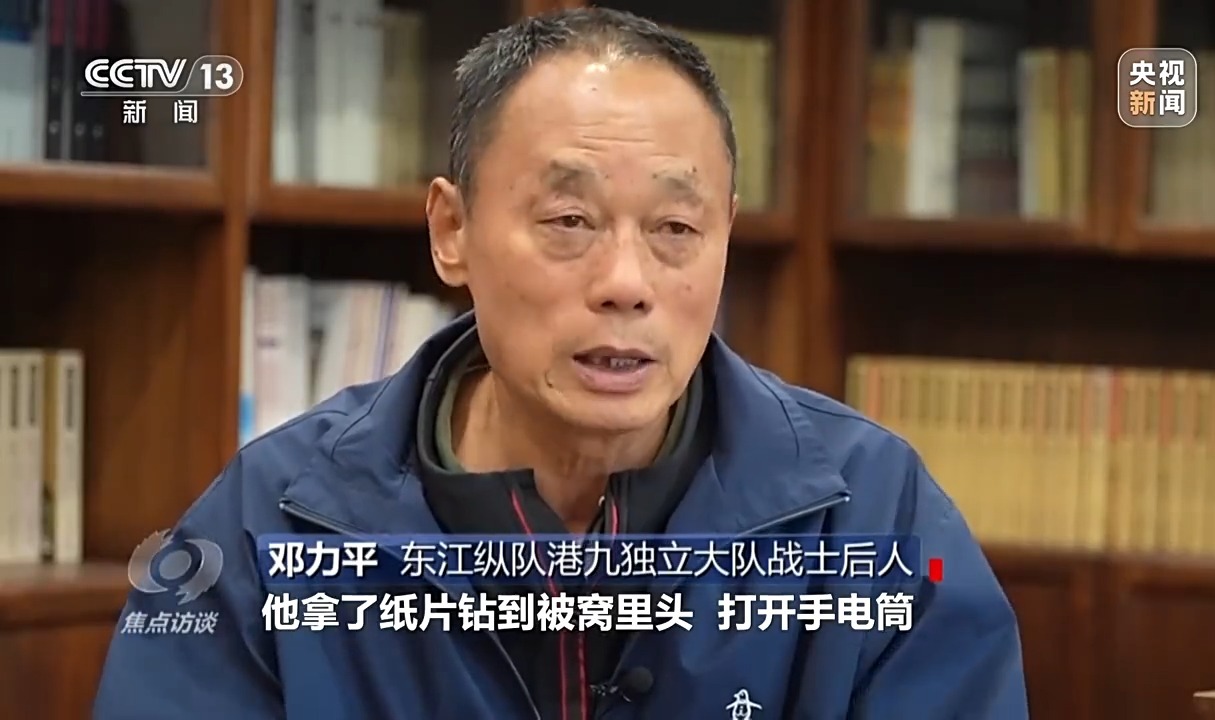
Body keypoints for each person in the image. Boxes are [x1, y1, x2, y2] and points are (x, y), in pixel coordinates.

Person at [93, 7, 1028, 719]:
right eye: (570, 221)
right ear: (452, 231)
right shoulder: (271, 523)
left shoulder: (868, 513)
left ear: (726, 237)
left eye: (676, 228)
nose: (626, 283)